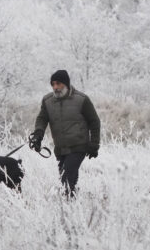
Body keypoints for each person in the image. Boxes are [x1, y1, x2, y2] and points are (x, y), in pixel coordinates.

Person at [29, 69, 101, 197]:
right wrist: (38, 134)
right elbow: (42, 119)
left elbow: (94, 122)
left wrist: (94, 144)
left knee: (66, 178)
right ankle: (73, 205)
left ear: (66, 84)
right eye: (53, 84)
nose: (55, 87)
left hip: (78, 146)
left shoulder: (81, 99)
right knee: (66, 178)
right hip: (60, 148)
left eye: (58, 84)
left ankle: (68, 203)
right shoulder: (47, 101)